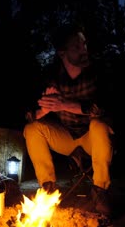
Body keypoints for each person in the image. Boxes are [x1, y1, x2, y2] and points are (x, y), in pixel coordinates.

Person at [23, 22, 114, 216]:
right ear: (62, 53)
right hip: (67, 137)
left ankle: (100, 192)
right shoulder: (52, 77)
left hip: (92, 137)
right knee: (32, 129)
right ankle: (47, 190)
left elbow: (101, 108)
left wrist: (63, 104)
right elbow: (29, 115)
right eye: (77, 47)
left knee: (99, 124)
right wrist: (45, 109)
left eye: (84, 45)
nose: (84, 50)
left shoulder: (98, 72)